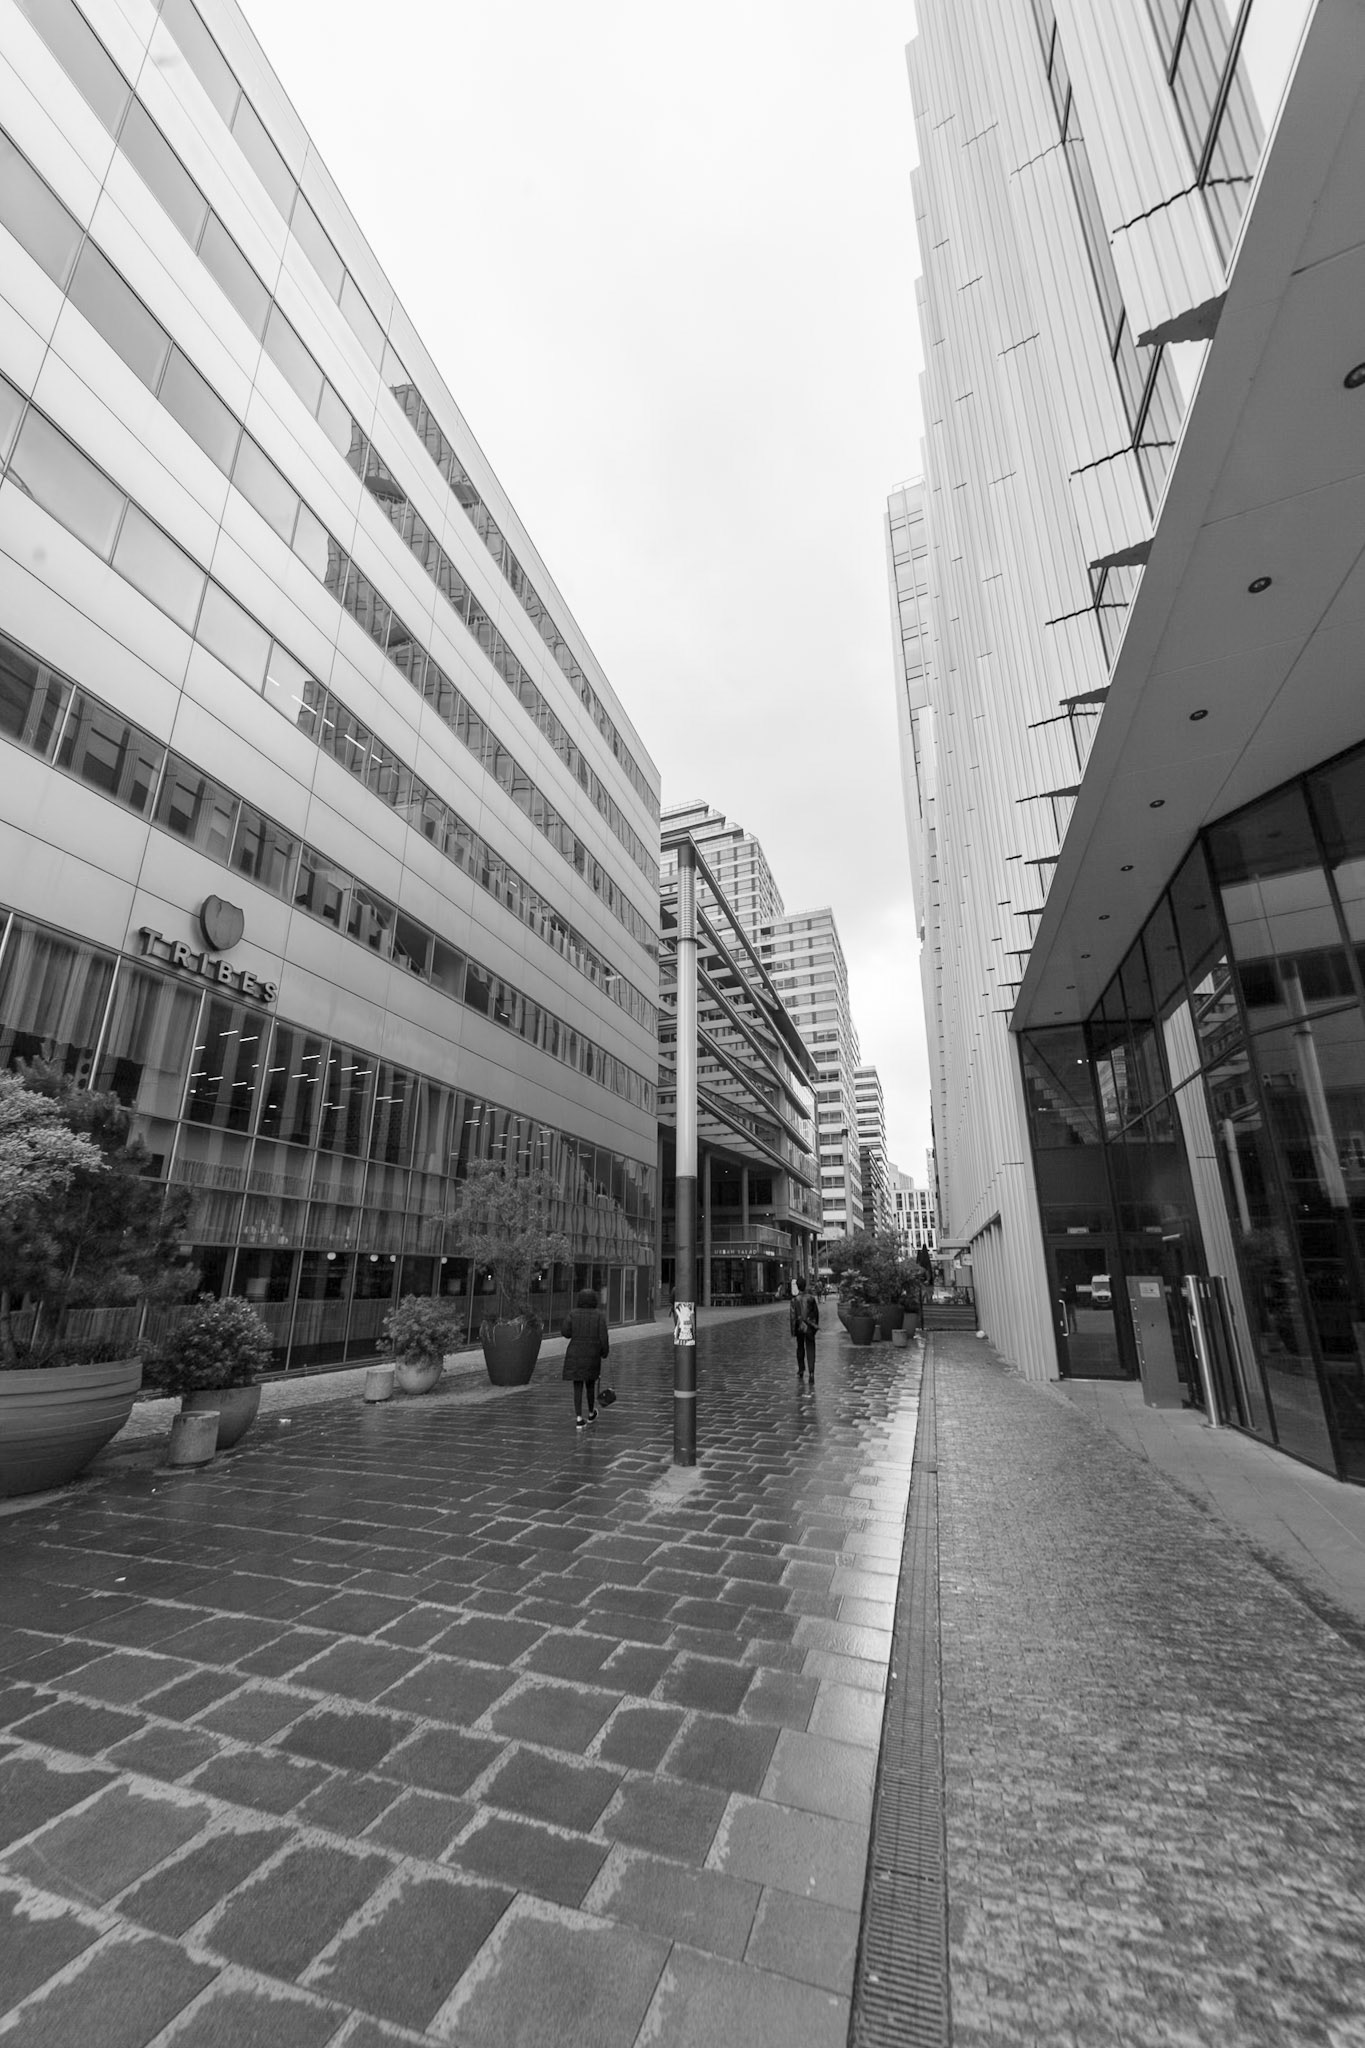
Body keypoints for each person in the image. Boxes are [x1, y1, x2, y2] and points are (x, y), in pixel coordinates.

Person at [562, 1287, 609, 1428]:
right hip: (592, 1354)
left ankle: (578, 1418)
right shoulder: (599, 1315)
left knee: (577, 1386)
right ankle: (590, 1413)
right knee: (590, 1384)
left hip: (575, 1353)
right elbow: (603, 1337)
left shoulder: (573, 1314)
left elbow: (565, 1332)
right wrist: (604, 1352)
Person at [790, 1275, 820, 1383]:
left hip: (800, 1326)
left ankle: (801, 1369)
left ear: (797, 1287)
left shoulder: (794, 1300)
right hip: (809, 1326)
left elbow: (792, 1317)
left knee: (800, 1347)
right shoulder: (811, 1298)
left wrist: (793, 1331)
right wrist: (815, 1327)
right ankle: (811, 1372)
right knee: (811, 1348)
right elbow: (816, 1314)